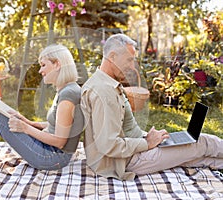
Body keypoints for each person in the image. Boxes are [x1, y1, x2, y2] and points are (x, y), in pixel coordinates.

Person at [81, 33, 223, 181]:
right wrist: (147, 143)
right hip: (125, 161)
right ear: (112, 56)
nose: (131, 66)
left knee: (196, 157)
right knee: (202, 142)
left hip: (130, 151)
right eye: (129, 60)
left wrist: (150, 138)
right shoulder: (104, 92)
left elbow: (122, 130)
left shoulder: (104, 83)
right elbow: (108, 145)